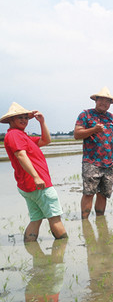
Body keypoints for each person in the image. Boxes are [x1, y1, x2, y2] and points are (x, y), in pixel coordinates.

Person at [2, 102, 68, 242]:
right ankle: (64, 249)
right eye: (20, 117)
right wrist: (36, 177)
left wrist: (42, 122)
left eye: (26, 117)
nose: (24, 120)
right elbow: (21, 155)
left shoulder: (22, 135)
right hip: (38, 184)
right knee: (54, 217)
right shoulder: (14, 135)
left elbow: (46, 140)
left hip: (28, 185)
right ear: (10, 120)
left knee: (36, 219)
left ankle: (31, 249)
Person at [74, 86, 113, 219]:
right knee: (89, 193)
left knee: (103, 194)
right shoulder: (86, 114)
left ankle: (100, 221)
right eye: (102, 100)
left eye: (107, 102)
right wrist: (93, 129)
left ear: (110, 104)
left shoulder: (112, 118)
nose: (104, 103)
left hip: (109, 163)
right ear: (96, 100)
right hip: (91, 162)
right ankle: (85, 221)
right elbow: (77, 134)